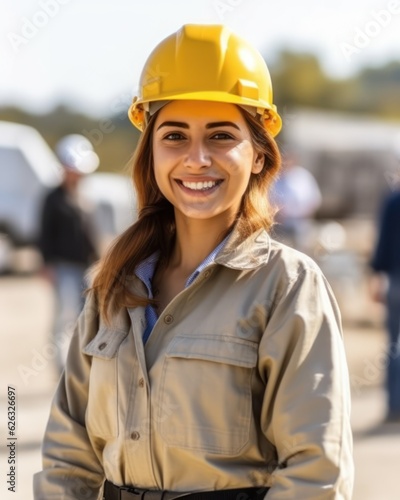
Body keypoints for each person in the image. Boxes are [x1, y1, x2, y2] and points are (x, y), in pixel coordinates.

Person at [34, 24, 353, 499]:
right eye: (175, 135)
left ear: (261, 156)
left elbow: (316, 472)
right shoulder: (111, 287)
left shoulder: (286, 287)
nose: (197, 158)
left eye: (222, 136)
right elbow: (67, 456)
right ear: (152, 152)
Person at [38, 134, 100, 373]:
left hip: (84, 267)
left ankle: (81, 363)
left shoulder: (83, 198)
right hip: (62, 267)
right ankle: (60, 366)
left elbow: (89, 234)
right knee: (63, 316)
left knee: (85, 315)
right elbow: (44, 234)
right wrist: (47, 265)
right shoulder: (52, 199)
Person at [370, 188, 400, 422]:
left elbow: (384, 243)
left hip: (396, 281)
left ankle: (395, 405)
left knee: (394, 346)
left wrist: (376, 276)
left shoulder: (393, 201)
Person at [271, 148, 322, 253]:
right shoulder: (275, 178)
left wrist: (307, 216)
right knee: (282, 250)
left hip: (301, 221)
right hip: (281, 223)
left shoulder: (304, 176)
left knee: (302, 250)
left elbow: (314, 199)